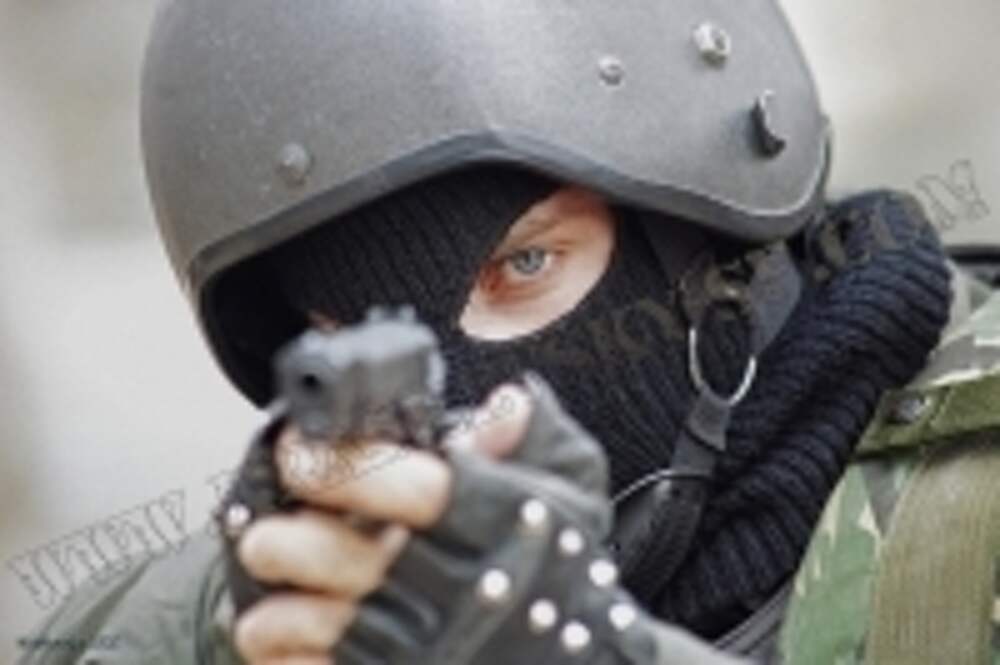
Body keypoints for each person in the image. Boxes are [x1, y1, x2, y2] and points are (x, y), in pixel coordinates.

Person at [20, 2, 1000, 664]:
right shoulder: (273, 601)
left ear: (715, 251)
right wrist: (253, 621)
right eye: (338, 330)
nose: (459, 405)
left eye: (525, 265)